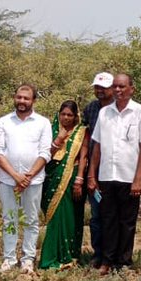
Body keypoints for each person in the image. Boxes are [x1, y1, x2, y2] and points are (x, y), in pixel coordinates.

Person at [87, 74, 141, 274]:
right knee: (108, 220)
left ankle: (123, 263)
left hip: (129, 176)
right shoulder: (105, 113)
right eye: (115, 86)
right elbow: (96, 145)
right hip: (107, 175)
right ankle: (107, 261)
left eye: (122, 86)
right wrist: (91, 175)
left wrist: (138, 179)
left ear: (131, 89)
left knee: (127, 222)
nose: (118, 90)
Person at [0, 84, 52, 274]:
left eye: (26, 98)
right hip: (8, 179)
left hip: (33, 181)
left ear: (33, 100)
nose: (22, 101)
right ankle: (9, 259)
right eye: (19, 97)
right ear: (14, 98)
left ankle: (28, 259)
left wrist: (28, 176)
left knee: (31, 220)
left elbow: (45, 152)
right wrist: (16, 175)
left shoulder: (43, 123)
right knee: (9, 218)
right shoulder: (3, 122)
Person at [38, 100, 88, 269]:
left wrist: (80, 179)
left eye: (70, 115)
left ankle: (69, 255)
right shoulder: (50, 129)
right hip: (51, 176)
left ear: (75, 117)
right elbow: (45, 155)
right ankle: (51, 257)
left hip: (71, 178)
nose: (66, 118)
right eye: (63, 114)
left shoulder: (81, 132)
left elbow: (83, 157)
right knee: (54, 217)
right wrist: (57, 140)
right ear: (59, 114)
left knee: (69, 216)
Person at [81, 72, 115, 267]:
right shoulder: (91, 109)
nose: (100, 91)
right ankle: (98, 254)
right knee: (96, 216)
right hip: (94, 171)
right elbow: (85, 140)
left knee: (113, 216)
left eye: (104, 87)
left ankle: (114, 257)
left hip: (115, 171)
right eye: (97, 87)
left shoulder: (118, 108)